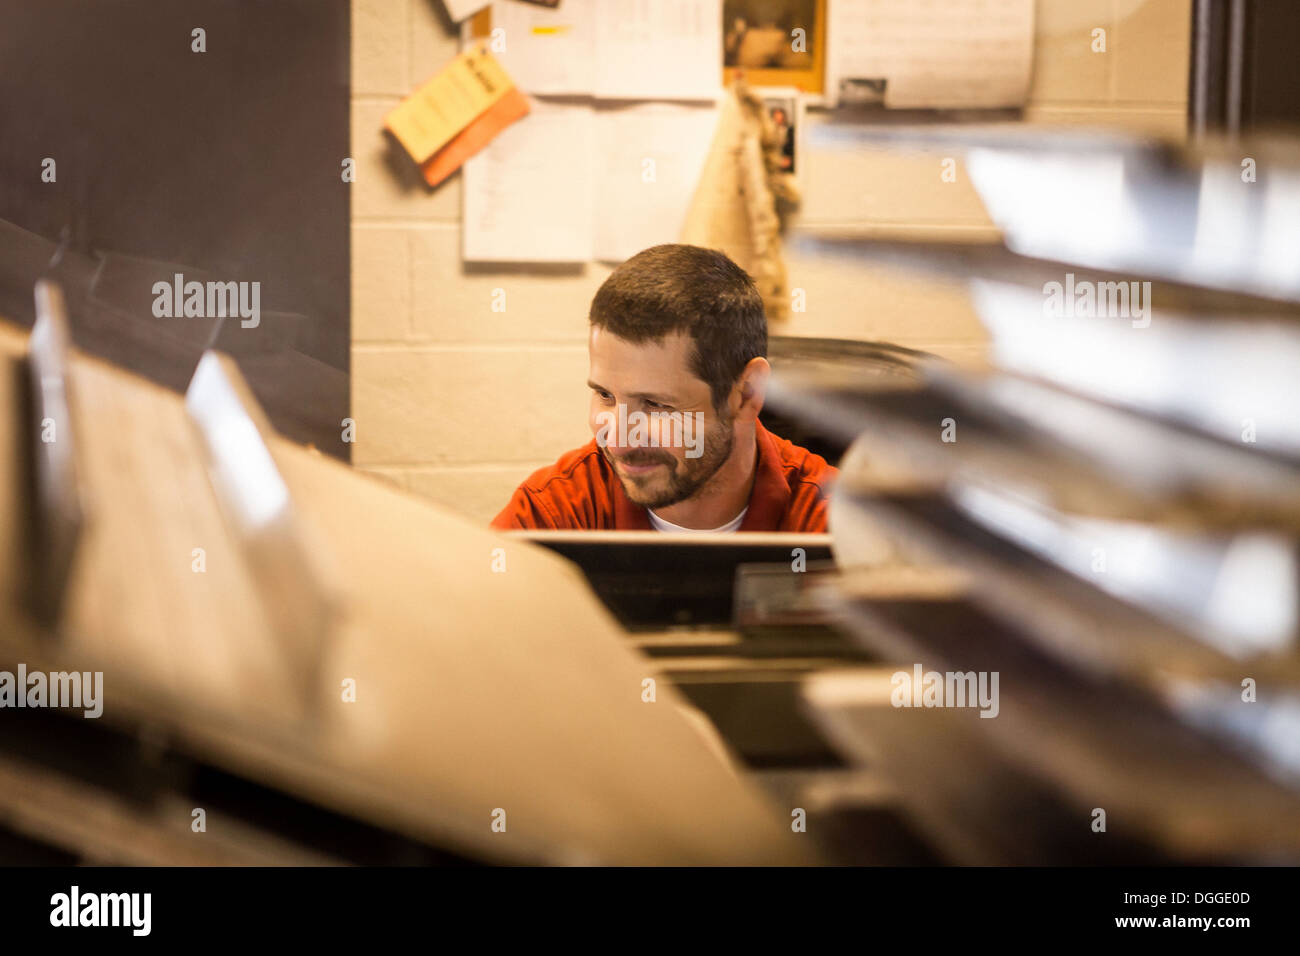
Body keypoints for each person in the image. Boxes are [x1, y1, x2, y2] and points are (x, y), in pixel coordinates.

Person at [490, 244, 836, 533]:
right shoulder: (554, 515)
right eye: (605, 396)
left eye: (655, 405)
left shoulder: (841, 522)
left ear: (746, 394)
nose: (620, 441)